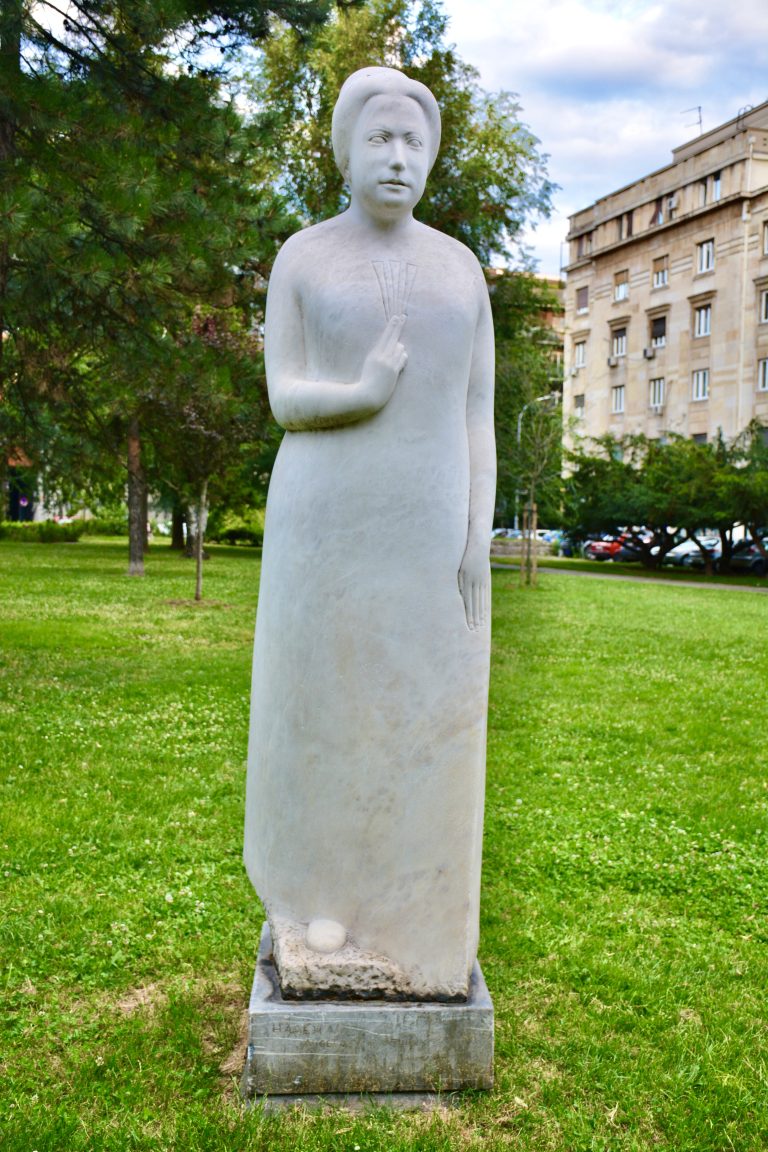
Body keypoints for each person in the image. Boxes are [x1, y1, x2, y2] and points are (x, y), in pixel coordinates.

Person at [243, 66, 496, 1001]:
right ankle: (319, 897)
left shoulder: (460, 268)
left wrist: (478, 530)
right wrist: (360, 394)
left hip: (429, 533)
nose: (399, 157)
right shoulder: (305, 258)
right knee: (326, 708)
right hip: (326, 526)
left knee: (423, 709)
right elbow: (282, 395)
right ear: (345, 150)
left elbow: (477, 413)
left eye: (415, 142)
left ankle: (421, 921)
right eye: (381, 139)